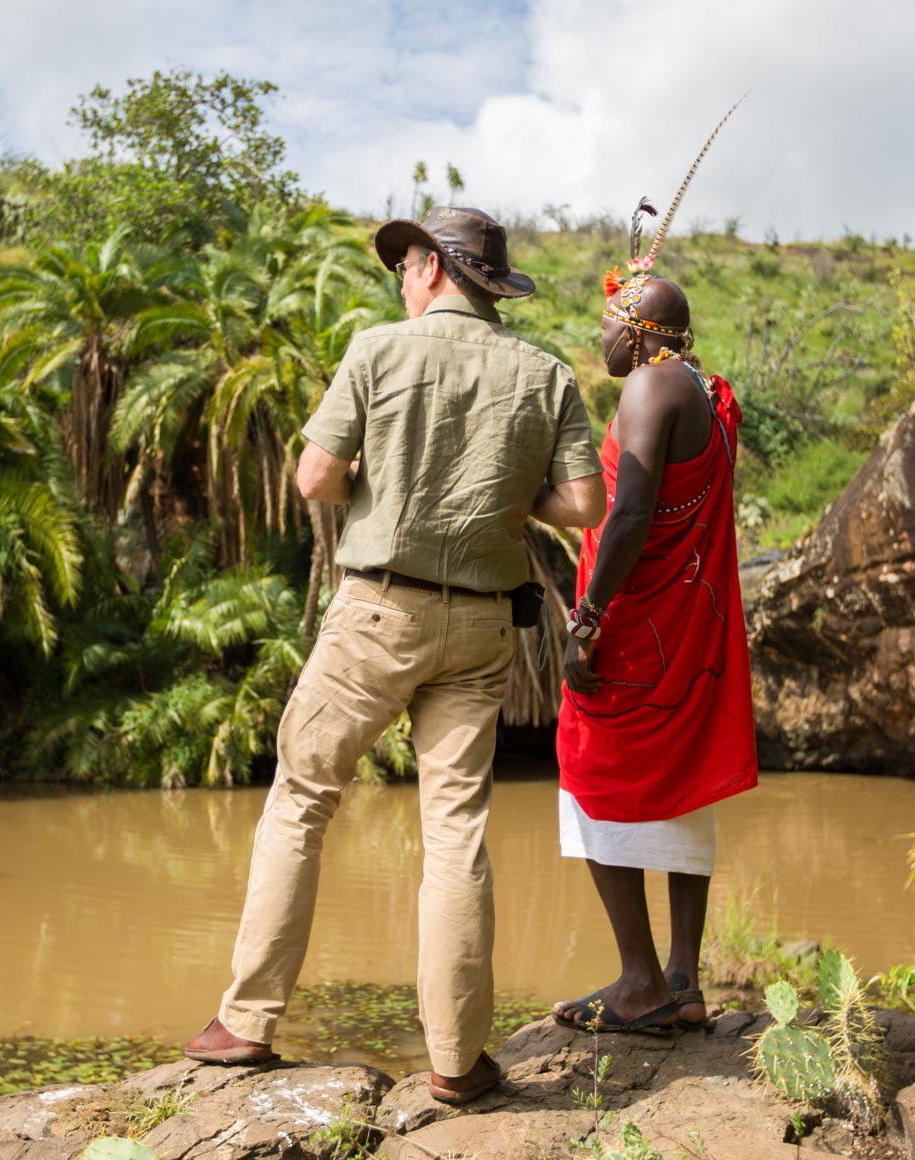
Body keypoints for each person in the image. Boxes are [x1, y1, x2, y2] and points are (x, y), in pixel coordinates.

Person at [182, 207, 607, 1104]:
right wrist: (501, 495)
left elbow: (314, 477)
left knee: (302, 798)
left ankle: (246, 1023)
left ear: (431, 270)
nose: (399, 280)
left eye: (405, 265)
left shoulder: (381, 350)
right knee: (456, 833)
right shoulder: (545, 373)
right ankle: (457, 1061)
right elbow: (582, 504)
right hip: (484, 626)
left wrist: (383, 484)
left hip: (376, 612)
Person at [551, 257, 759, 1035]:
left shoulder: (647, 386)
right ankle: (682, 977)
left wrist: (589, 618)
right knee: (681, 782)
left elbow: (633, 512)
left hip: (638, 623)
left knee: (590, 766)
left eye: (606, 324)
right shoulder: (702, 390)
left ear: (638, 332)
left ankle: (640, 983)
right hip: (684, 620)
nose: (599, 336)